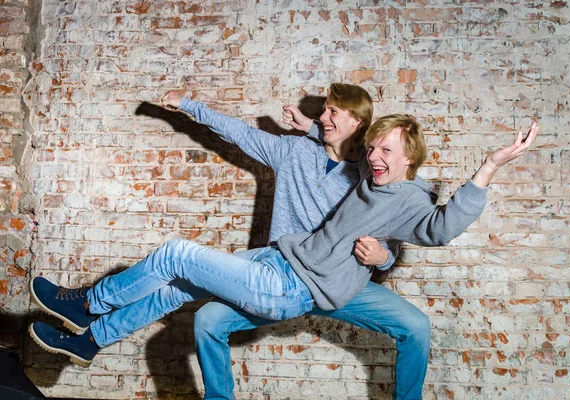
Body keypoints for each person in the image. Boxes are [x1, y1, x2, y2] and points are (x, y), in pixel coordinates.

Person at [29, 93, 538, 399]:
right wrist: (191, 107)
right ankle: (89, 340)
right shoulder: (306, 154)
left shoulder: (381, 180)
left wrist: (387, 255)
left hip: (327, 280)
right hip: (285, 260)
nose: (324, 114)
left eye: (336, 111)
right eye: (325, 110)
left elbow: (423, 225)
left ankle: (88, 305)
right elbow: (240, 133)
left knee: (417, 326)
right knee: (190, 298)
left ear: (359, 125)